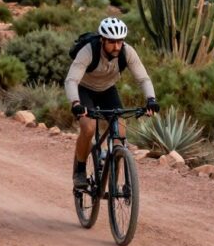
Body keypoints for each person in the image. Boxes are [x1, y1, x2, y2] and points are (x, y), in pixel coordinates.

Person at [65, 17, 159, 190]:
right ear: (102, 40)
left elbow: (143, 79)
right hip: (84, 90)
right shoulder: (88, 51)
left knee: (120, 133)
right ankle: (80, 170)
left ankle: (113, 176)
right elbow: (71, 80)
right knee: (89, 128)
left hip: (108, 90)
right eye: (112, 42)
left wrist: (151, 99)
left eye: (120, 41)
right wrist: (76, 103)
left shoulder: (127, 52)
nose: (116, 46)